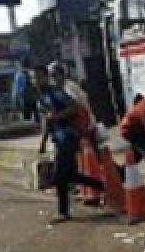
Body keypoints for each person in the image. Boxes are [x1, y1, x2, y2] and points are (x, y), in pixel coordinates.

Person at [35, 64, 104, 223]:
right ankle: (102, 186)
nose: (36, 81)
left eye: (39, 77)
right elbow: (47, 121)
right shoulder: (41, 97)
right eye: (34, 78)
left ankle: (63, 211)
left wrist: (57, 117)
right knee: (70, 175)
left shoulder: (56, 93)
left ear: (46, 77)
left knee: (59, 176)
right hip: (58, 139)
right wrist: (43, 141)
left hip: (68, 137)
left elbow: (73, 107)